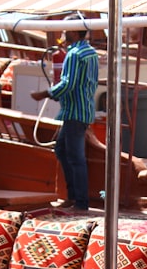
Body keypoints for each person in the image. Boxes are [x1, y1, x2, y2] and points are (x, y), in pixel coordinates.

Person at [30, 15, 99, 211]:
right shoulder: (91, 53)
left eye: (66, 29)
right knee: (62, 150)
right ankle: (73, 196)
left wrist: (45, 93)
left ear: (74, 32)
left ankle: (80, 201)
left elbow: (68, 84)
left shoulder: (75, 54)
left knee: (75, 157)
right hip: (81, 110)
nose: (63, 33)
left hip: (74, 112)